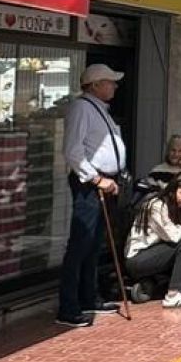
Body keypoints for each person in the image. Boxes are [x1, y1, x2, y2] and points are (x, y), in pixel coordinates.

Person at [58, 64, 128, 328]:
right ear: (96, 85)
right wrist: (96, 178)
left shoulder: (98, 108)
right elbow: (72, 150)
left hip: (105, 182)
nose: (115, 86)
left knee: (94, 243)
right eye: (110, 81)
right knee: (81, 243)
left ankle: (88, 297)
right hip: (91, 184)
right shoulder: (81, 108)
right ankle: (68, 306)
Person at [125, 173, 181, 307]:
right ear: (172, 190)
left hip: (157, 251)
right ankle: (173, 295)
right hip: (138, 258)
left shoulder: (177, 206)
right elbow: (172, 236)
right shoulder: (156, 205)